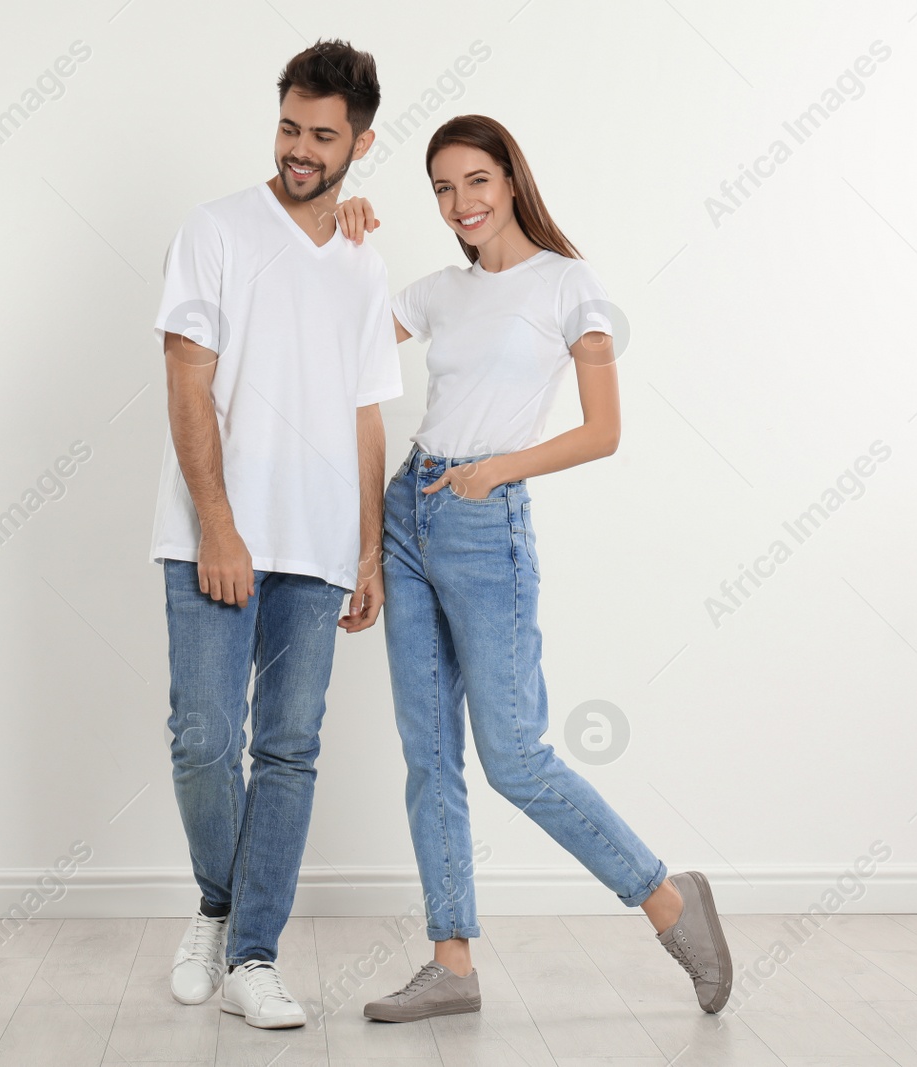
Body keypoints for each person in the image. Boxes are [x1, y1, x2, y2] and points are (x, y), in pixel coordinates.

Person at [330, 114, 735, 1022]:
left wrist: (497, 471)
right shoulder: (436, 291)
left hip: (485, 522)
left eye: (475, 181)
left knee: (513, 757)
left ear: (511, 180)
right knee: (429, 754)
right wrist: (341, 231)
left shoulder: (569, 286)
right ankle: (452, 962)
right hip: (406, 512)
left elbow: (603, 430)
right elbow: (336, 335)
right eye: (441, 188)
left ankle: (670, 900)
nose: (459, 203)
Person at [150, 39, 401, 1029]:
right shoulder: (212, 230)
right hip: (210, 534)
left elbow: (367, 412)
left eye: (323, 136)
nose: (300, 149)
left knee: (289, 750)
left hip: (319, 541)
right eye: (290, 127)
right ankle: (220, 898)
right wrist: (219, 524)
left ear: (361, 143)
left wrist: (370, 549)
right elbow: (186, 376)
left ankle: (252, 951)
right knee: (204, 740)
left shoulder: (360, 258)